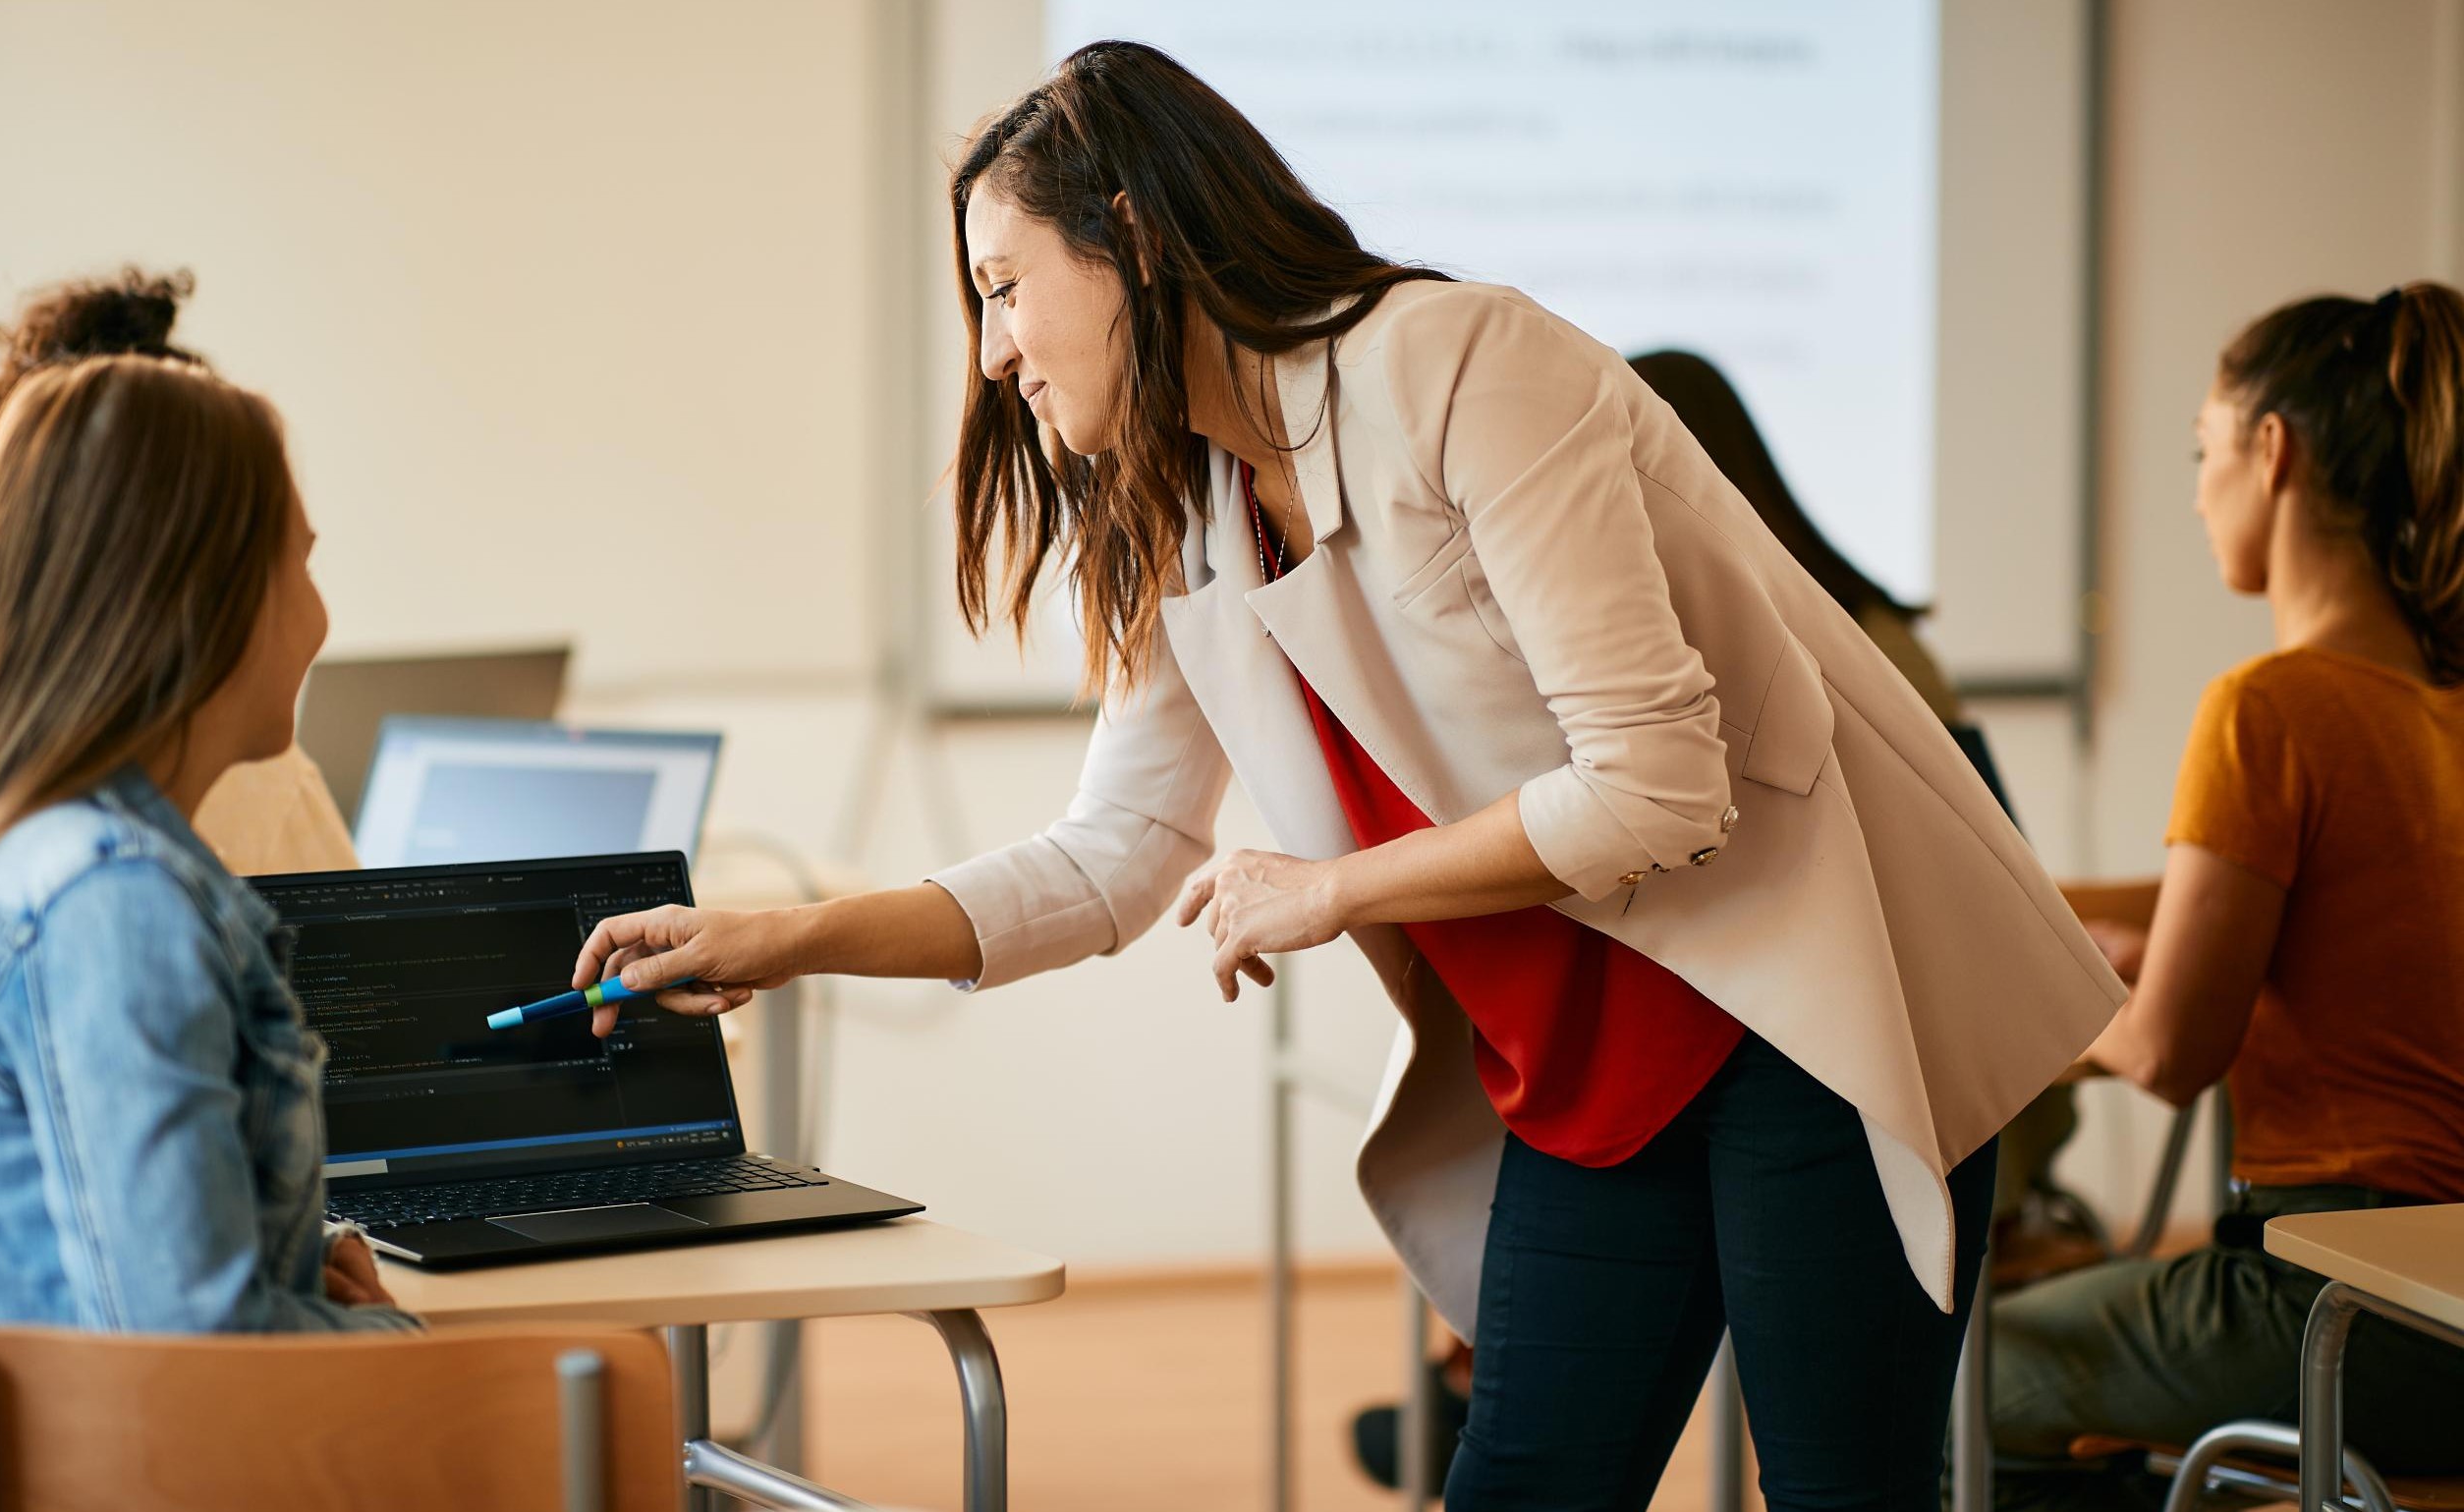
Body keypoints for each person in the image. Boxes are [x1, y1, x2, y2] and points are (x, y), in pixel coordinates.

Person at [576, 42, 2120, 1510]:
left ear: (1129, 230)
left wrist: (1328, 889)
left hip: (1810, 1000)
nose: (991, 353)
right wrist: (787, 938)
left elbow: (1657, 784)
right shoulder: (1191, 511)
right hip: (1598, 1066)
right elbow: (1114, 856)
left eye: (1002, 287)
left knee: (1842, 1489)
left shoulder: (1459, 363)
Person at [1348, 348, 2113, 1496]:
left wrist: (1347, 888)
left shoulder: (1852, 655)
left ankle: (1452, 1396)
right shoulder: (1627, 644)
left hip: (1868, 1063)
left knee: (1832, 1466)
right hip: (1686, 1058)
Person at [0, 356, 418, 1512]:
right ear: (204, 595)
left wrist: (294, 1277)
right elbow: (193, 1371)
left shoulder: (37, 860)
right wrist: (383, 1345)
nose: (324, 617)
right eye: (304, 562)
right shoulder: (111, 907)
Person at [1988, 284, 2464, 1512]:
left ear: (2272, 449)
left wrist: (2034, 994)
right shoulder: (2436, 713)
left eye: (2203, 451)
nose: (2196, 493)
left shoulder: (2267, 708)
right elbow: (2328, 925)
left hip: (2342, 1310)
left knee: (1961, 1374)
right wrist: (2151, 944)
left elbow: (2164, 1055)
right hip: (2445, 1298)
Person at [0, 267, 359, 1019]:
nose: (317, 616)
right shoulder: (139, 876)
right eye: (280, 561)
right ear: (174, 569)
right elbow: (367, 1048)